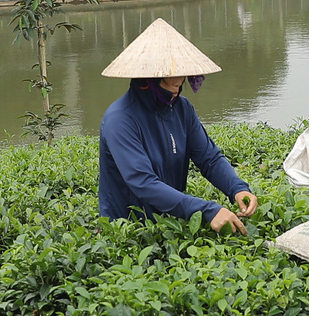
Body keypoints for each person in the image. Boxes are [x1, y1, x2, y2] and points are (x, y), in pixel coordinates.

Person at [97, 18, 257, 232]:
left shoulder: (182, 109)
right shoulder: (120, 119)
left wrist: (237, 189)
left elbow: (209, 158)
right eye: (167, 80)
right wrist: (208, 210)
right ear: (147, 79)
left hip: (170, 226)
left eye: (180, 80)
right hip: (128, 233)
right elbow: (144, 183)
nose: (177, 84)